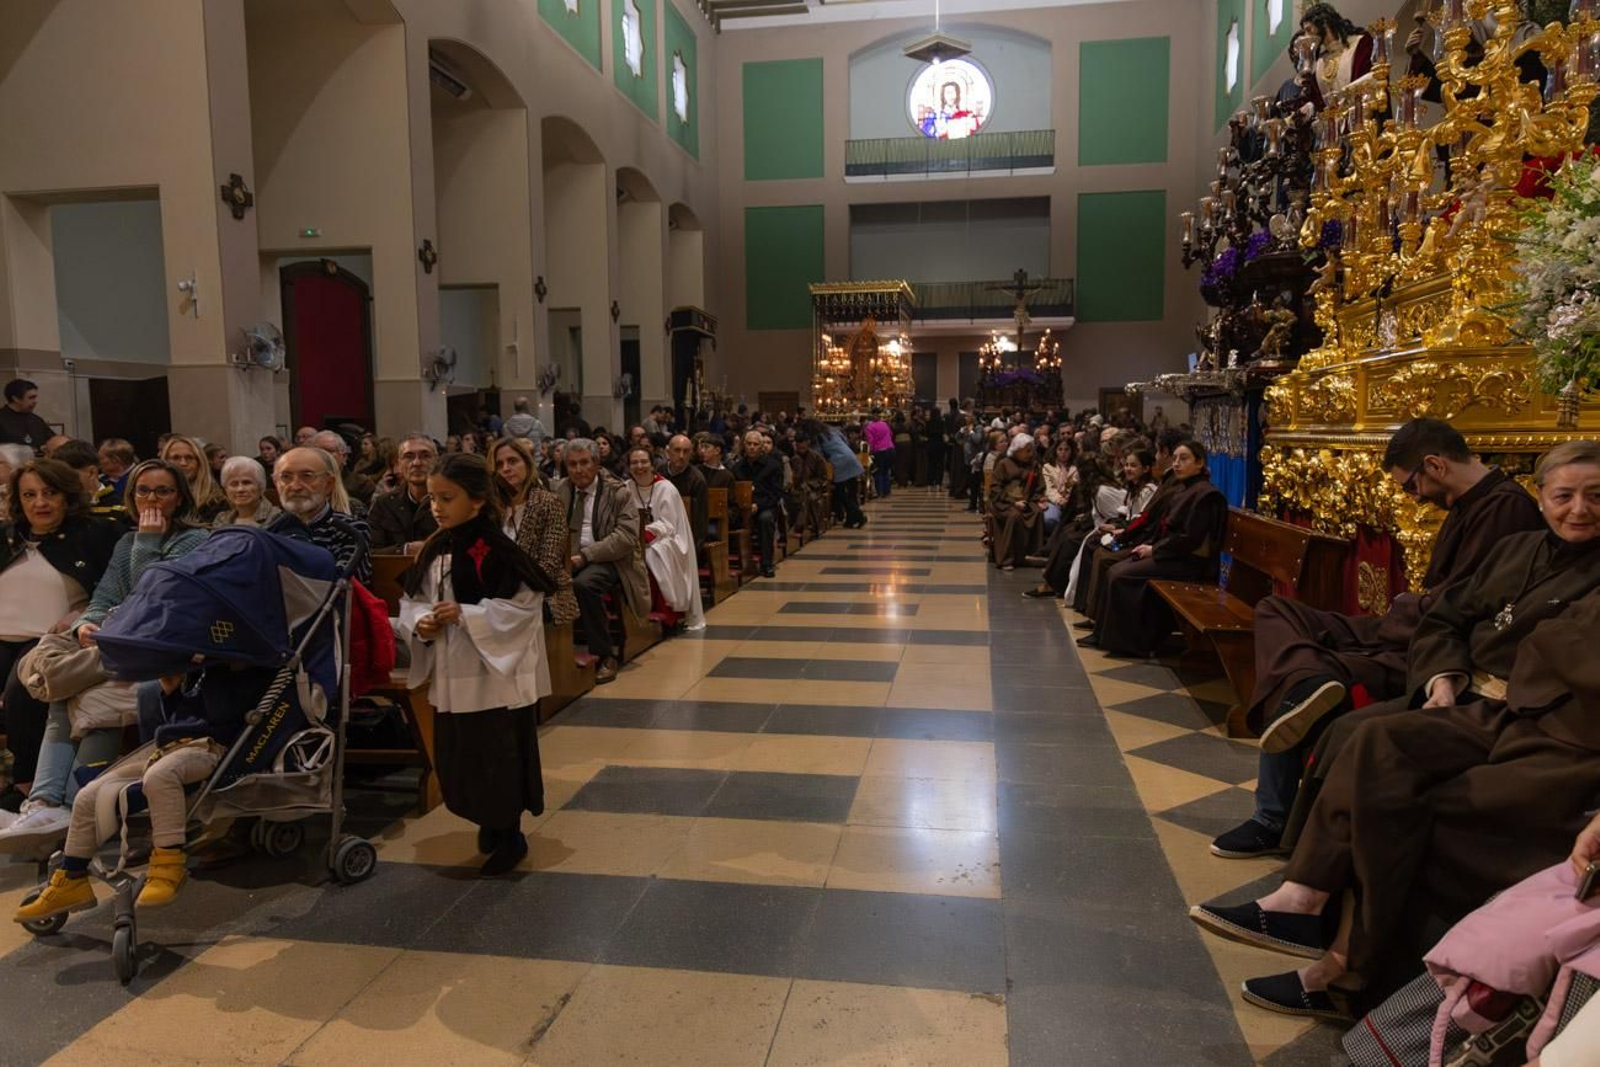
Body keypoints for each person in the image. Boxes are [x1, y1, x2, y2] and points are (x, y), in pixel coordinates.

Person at [1190, 442, 1600, 1017]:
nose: (1579, 509)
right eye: (1564, 496)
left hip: (1546, 729)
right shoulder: (1520, 548)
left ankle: (1338, 961)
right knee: (1351, 736)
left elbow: (1559, 656)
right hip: (1468, 696)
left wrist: (1478, 650)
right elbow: (1446, 614)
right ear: (1543, 497)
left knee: (1391, 786)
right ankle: (1306, 903)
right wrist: (1443, 674)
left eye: (1596, 496)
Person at [1211, 418, 1546, 860]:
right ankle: (1307, 689)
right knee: (1278, 611)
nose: (1415, 497)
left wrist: (1408, 607)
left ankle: (1271, 817)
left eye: (1410, 486)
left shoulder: (1505, 509)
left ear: (1434, 465)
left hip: (1428, 647)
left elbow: (1465, 604)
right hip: (1409, 627)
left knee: (1302, 670)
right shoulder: (1472, 503)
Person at [0, 459, 208, 845]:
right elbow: (105, 596)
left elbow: (154, 596)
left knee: (84, 694)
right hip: (117, 640)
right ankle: (46, 802)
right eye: (143, 490)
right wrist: (85, 625)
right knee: (67, 684)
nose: (152, 499)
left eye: (162, 491)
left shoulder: (193, 540)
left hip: (160, 646)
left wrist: (147, 541)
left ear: (179, 498)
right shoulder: (127, 541)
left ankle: (69, 803)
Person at [394, 453, 555, 876]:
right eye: (431, 498)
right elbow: (411, 602)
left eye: (447, 498)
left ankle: (509, 832)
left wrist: (469, 614)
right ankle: (487, 818)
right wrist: (422, 623)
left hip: (493, 675)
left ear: (478, 500)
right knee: (462, 753)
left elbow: (525, 608)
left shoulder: (498, 550)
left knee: (497, 754)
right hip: (453, 669)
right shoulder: (436, 547)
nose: (436, 507)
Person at [0, 459, 123, 814]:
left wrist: (84, 613)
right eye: (29, 495)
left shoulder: (95, 533)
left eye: (49, 493)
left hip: (49, 639)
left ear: (67, 496)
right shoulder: (7, 537)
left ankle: (25, 785)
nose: (40, 502)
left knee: (22, 690)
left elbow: (120, 585)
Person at [1079, 440, 1226, 656]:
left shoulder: (1206, 495)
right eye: (1174, 459)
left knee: (1121, 575)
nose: (1176, 464)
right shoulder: (1186, 489)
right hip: (1173, 555)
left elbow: (1188, 539)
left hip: (1189, 563)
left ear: (1200, 462)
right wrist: (1150, 545)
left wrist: (1154, 550)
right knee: (1116, 569)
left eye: (1183, 459)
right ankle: (1106, 635)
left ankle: (1129, 642)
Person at [553, 439, 648, 684]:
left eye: (584, 462)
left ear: (596, 464)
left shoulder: (618, 492)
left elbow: (626, 537)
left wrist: (586, 556)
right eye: (572, 464)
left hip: (611, 559)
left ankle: (605, 654)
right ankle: (554, 652)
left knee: (584, 585)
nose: (578, 469)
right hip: (569, 558)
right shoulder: (560, 490)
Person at [492, 436, 577, 625]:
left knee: (498, 616)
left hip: (543, 591)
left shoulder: (548, 503)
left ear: (527, 464)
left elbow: (548, 564)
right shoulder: (491, 508)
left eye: (513, 461)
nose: (506, 468)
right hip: (496, 590)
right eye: (500, 464)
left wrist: (508, 591)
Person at [625, 446, 706, 631]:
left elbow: (670, 524)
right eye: (634, 462)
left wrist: (646, 533)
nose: (639, 466)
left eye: (644, 462)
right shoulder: (626, 488)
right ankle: (631, 613)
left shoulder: (666, 488)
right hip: (634, 538)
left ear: (653, 465)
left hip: (671, 538)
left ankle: (665, 612)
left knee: (655, 553)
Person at [267, 447, 371, 583]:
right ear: (276, 484)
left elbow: (341, 588)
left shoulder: (351, 530)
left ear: (329, 484)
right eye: (286, 477)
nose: (295, 486)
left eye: (307, 476)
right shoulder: (271, 529)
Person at [368, 433, 439, 553]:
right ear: (399, 464)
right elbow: (370, 553)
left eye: (425, 456)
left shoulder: (451, 502)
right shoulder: (383, 504)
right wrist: (405, 550)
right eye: (409, 456)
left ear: (437, 460)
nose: (417, 463)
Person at [988, 434, 1045, 571]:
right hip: (1003, 501)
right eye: (1027, 450)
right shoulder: (1004, 464)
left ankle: (1031, 554)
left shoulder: (1034, 465)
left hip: (1026, 500)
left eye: (1031, 450)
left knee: (1037, 512)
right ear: (1017, 450)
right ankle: (1007, 558)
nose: (1030, 454)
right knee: (1015, 516)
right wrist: (1013, 502)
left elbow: (1039, 487)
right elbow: (995, 488)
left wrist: (1039, 499)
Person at [734, 430, 784, 578]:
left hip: (766, 507)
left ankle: (767, 564)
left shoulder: (773, 466)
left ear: (762, 446)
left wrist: (757, 505)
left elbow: (775, 494)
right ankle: (739, 563)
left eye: (755, 444)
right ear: (744, 445)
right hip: (742, 507)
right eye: (749, 444)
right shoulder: (737, 467)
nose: (752, 447)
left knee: (765, 519)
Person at [160, 435, 226, 522]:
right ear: (165, 461)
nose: (183, 463)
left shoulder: (216, 502)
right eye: (176, 458)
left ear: (199, 463)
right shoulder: (155, 498)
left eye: (189, 458)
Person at [662, 434, 708, 554]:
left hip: (685, 532)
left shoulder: (697, 480)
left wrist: (694, 550)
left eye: (686, 451)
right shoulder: (658, 473)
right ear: (668, 452)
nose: (681, 456)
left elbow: (700, 521)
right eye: (677, 450)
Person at [311, 429, 375, 508]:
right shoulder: (306, 484)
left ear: (344, 457)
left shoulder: (362, 484)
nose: (323, 456)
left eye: (329, 451)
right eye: (318, 452)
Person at [213, 455, 282, 527]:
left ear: (261, 486)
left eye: (247, 483)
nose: (240, 489)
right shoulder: (222, 519)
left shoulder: (277, 518)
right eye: (234, 484)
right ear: (225, 489)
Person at [790, 434, 831, 538]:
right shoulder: (793, 458)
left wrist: (810, 484)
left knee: (810, 498)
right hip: (796, 489)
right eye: (799, 447)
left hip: (814, 488)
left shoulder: (816, 458)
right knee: (801, 497)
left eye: (803, 447)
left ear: (807, 444)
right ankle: (805, 527)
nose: (801, 450)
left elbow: (823, 477)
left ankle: (809, 527)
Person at [0, 379, 54, 453]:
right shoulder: (2, 419)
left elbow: (53, 440)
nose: (35, 401)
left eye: (35, 397)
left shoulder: (36, 420)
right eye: (31, 397)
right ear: (16, 399)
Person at [1041, 438, 1080, 536]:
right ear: (1055, 450)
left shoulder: (1076, 467)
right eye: (1060, 449)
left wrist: (1069, 498)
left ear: (1071, 451)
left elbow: (1076, 487)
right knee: (1049, 520)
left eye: (1066, 449)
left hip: (1073, 502)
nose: (1063, 452)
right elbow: (1049, 489)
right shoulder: (1048, 467)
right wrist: (1059, 500)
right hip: (1054, 502)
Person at [863, 411, 894, 499]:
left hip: (879, 451)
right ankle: (887, 491)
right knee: (886, 470)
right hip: (890, 449)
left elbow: (870, 441)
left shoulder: (869, 427)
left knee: (878, 471)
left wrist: (871, 451)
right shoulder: (884, 424)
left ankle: (880, 492)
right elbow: (891, 434)